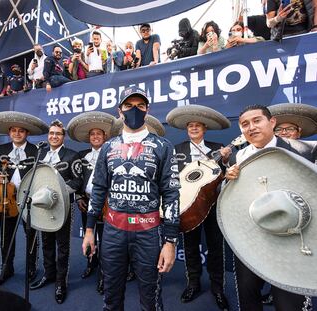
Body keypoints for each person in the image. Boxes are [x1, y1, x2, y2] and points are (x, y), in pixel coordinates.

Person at [82, 86, 180, 310]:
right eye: (128, 106)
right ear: (120, 110)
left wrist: (170, 242)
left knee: (151, 299)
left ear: (147, 110)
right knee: (111, 296)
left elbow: (172, 195)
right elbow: (98, 189)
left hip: (148, 233)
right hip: (113, 232)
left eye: (140, 106)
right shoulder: (108, 147)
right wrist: (89, 230)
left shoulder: (163, 147)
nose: (134, 110)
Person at [225, 104, 316, 311]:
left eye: (257, 120)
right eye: (245, 124)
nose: (251, 127)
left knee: (289, 304)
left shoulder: (307, 150)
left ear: (271, 122)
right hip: (249, 240)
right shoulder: (235, 158)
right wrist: (226, 182)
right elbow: (231, 199)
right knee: (248, 297)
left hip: (293, 242)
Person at [168, 105, 231, 310]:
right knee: (190, 246)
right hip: (188, 206)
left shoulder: (219, 147)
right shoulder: (177, 149)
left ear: (205, 129)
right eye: (190, 126)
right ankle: (193, 283)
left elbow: (226, 176)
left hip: (213, 204)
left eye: (197, 126)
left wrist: (227, 162)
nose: (193, 128)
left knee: (215, 248)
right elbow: (172, 178)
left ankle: (217, 288)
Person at [0, 112, 48, 285]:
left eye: (21, 131)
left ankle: (31, 268)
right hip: (7, 200)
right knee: (6, 237)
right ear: (9, 133)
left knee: (31, 236)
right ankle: (6, 268)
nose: (17, 134)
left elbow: (43, 174)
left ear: (27, 133)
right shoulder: (0, 150)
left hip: (29, 200)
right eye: (14, 130)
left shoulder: (37, 151)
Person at [30, 120, 82, 305]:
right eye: (51, 133)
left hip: (63, 206)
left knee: (63, 245)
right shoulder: (39, 155)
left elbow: (77, 182)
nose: (54, 136)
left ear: (63, 136)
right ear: (48, 135)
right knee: (46, 242)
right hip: (43, 207)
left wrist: (58, 193)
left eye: (58, 134)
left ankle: (61, 282)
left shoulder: (72, 155)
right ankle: (49, 274)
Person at [67, 111, 116, 295]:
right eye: (92, 134)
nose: (95, 136)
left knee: (105, 238)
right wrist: (79, 197)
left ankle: (104, 273)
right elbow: (77, 179)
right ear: (89, 138)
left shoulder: (113, 153)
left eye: (99, 134)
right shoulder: (81, 155)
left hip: (106, 203)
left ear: (105, 137)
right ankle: (91, 263)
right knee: (90, 235)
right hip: (86, 201)